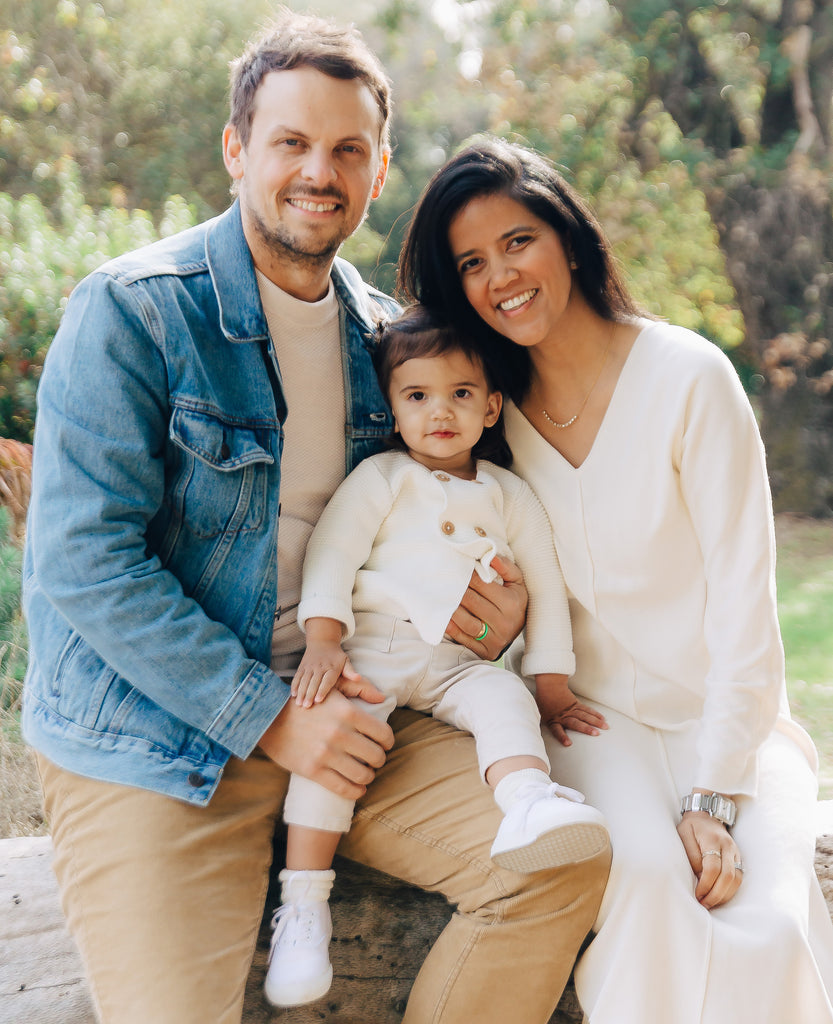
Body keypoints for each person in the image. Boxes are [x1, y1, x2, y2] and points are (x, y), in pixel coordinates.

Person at [20, 12, 611, 1023]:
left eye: (347, 149)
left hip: (361, 700)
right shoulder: (132, 312)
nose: (317, 171)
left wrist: (490, 613)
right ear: (236, 149)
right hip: (159, 738)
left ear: (378, 172)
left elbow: (447, 515)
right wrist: (270, 717)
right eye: (290, 142)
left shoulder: (391, 343)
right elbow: (82, 564)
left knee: (555, 861)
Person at [397, 135, 833, 1023]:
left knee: (774, 919)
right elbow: (451, 585)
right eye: (470, 263)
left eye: (517, 241)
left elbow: (748, 614)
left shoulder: (689, 378)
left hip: (735, 723)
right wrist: (497, 622)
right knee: (642, 879)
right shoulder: (487, 418)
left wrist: (714, 793)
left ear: (567, 237)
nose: (499, 276)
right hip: (589, 724)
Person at [265, 305, 609, 1007]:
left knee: (501, 699)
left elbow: (543, 584)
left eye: (459, 395)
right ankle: (304, 903)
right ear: (392, 410)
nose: (438, 412)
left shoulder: (509, 494)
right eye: (417, 396)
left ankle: (524, 800)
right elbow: (333, 552)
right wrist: (324, 638)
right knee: (337, 740)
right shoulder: (383, 478)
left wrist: (548, 682)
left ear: (491, 406)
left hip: (455, 665)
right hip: (375, 649)